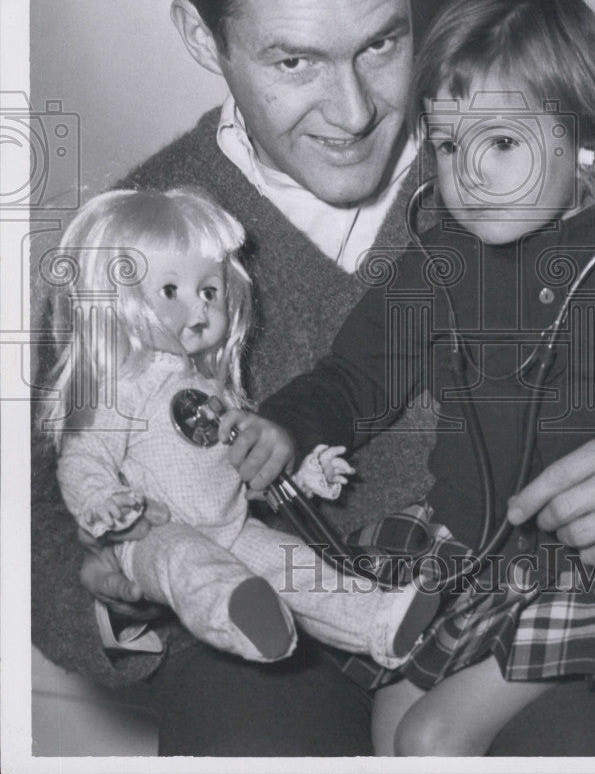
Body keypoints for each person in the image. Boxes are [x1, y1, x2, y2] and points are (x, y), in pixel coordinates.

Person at [30, 0, 595, 756]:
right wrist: (123, 578)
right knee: (236, 723)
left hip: (548, 597)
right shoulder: (134, 240)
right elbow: (41, 512)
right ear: (204, 38)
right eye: (295, 62)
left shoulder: (557, 164)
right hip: (284, 626)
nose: (356, 111)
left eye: (383, 42)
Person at [235, 0, 595, 755]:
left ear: (587, 136)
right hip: (468, 558)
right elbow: (357, 376)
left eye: (501, 143)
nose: (466, 174)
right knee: (391, 726)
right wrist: (287, 425)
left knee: (431, 739)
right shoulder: (442, 261)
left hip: (593, 570)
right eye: (445, 144)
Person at [45, 186, 438, 670]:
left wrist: (299, 477)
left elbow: (239, 468)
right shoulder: (120, 387)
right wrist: (100, 502)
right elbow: (84, 457)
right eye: (171, 290)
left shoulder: (213, 389)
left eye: (209, 291)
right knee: (189, 567)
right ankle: (245, 617)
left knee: (298, 565)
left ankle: (379, 620)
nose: (202, 308)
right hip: (150, 535)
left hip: (233, 526)